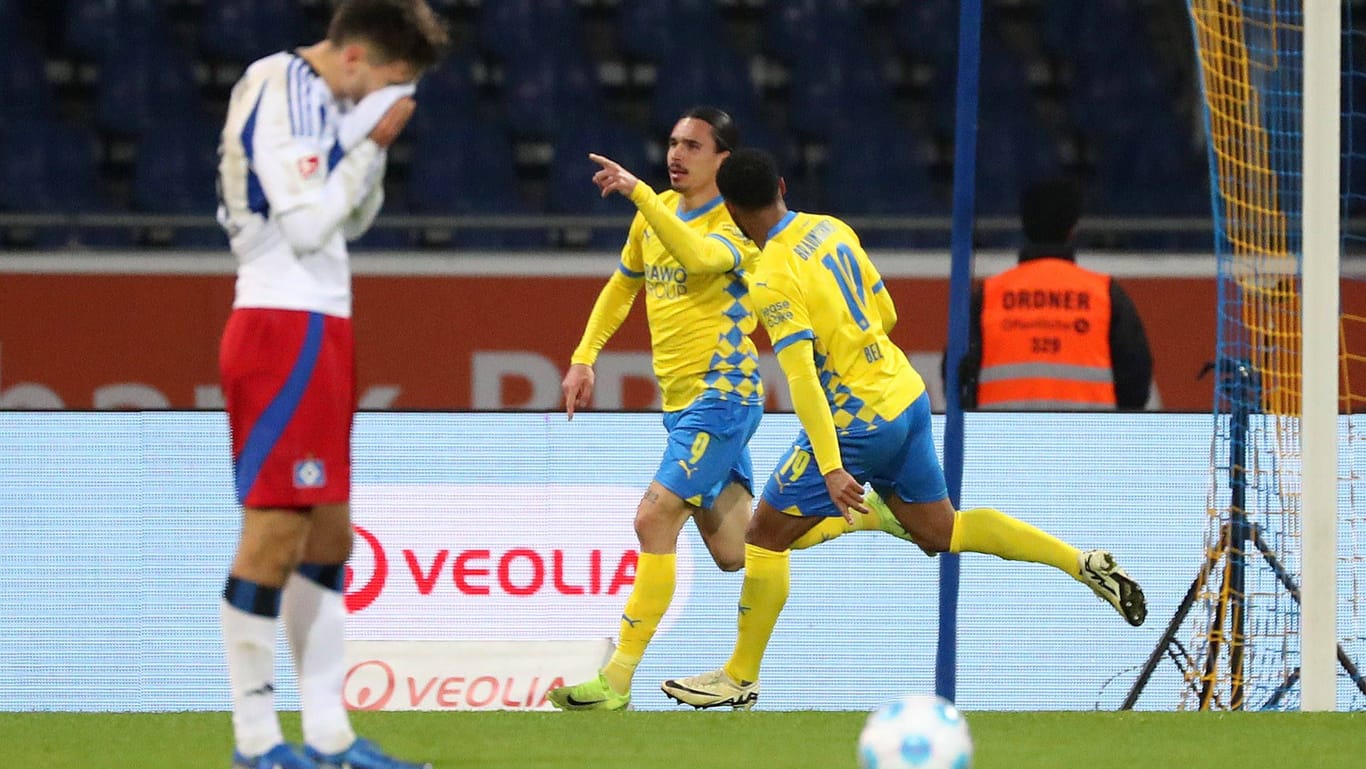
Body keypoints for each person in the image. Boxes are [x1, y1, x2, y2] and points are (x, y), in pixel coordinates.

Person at [659, 149, 1148, 711]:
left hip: (857, 421)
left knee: (762, 537)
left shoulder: (770, 275)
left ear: (734, 212)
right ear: (783, 187)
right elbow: (886, 313)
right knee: (942, 531)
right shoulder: (831, 229)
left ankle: (739, 677)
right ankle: (1081, 563)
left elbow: (803, 381)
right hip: (905, 393)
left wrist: (832, 465)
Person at [547, 108, 906, 712]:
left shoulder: (735, 226)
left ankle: (616, 681)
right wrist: (585, 356)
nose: (676, 154)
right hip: (682, 403)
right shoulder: (655, 213)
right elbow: (622, 286)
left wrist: (638, 195)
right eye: (672, 142)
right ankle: (865, 515)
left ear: (723, 161)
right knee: (736, 550)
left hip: (724, 397)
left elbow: (698, 260)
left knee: (652, 520)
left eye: (693, 145)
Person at [215, 3, 447, 768]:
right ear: (353, 59)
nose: (383, 102)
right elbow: (311, 226)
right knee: (274, 533)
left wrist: (371, 156)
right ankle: (255, 742)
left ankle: (331, 737)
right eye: (387, 84)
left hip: (323, 322)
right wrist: (364, 150)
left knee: (329, 534)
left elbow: (351, 220)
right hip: (280, 323)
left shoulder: (323, 101)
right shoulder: (278, 84)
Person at [953, 178, 1153, 410]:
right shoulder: (1105, 295)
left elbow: (957, 380)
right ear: (1073, 228)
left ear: (1024, 225)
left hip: (1005, 441)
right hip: (1089, 442)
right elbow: (1136, 386)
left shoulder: (988, 297)